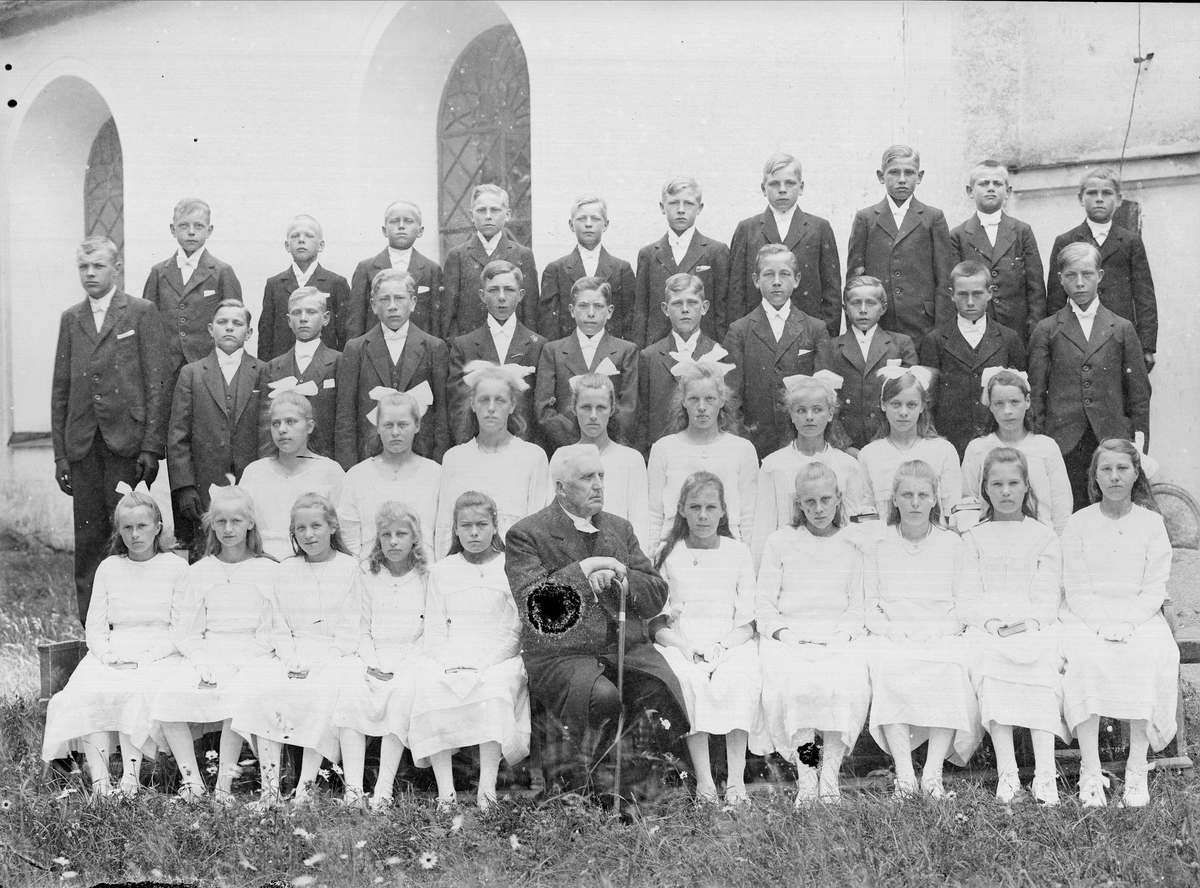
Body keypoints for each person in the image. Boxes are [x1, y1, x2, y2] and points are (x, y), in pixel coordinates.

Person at [504, 444, 687, 798]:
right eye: (587, 477)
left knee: (659, 689)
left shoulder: (619, 528)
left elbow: (655, 592)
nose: (598, 485)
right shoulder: (527, 534)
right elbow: (534, 606)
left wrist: (625, 581)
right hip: (561, 655)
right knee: (602, 697)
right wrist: (585, 572)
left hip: (624, 648)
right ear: (560, 488)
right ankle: (588, 791)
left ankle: (643, 788)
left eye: (601, 476)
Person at [42, 487, 188, 798]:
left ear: (158, 527)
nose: (135, 535)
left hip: (161, 651)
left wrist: (146, 659)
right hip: (115, 648)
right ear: (119, 531)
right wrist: (107, 657)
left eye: (142, 526)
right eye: (127, 528)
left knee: (135, 691)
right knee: (89, 690)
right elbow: (94, 627)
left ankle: (131, 780)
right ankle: (101, 783)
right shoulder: (110, 568)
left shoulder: (176, 567)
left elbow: (180, 629)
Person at [52, 236, 169, 623]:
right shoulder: (72, 319)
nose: (90, 274)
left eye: (98, 266)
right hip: (84, 448)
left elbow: (156, 383)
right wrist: (61, 455)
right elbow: (61, 390)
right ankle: (93, 632)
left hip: (127, 448)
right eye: (83, 267)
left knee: (130, 537)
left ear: (115, 269)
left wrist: (150, 448)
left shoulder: (140, 312)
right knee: (88, 544)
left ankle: (132, 623)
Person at [1059, 439, 1178, 808]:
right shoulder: (1078, 523)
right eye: (1105, 469)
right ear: (1095, 476)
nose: (1114, 477)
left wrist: (1128, 623)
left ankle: (1136, 768)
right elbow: (1075, 588)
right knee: (1085, 659)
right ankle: (1091, 770)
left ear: (1136, 472)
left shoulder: (1152, 523)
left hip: (1139, 615)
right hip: (1087, 614)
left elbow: (1154, 586)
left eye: (1122, 469)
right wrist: (1100, 625)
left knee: (1148, 655)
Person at [227, 494, 361, 806]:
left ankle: (306, 786)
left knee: (322, 690)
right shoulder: (286, 570)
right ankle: (270, 789)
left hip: (335, 653)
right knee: (262, 686)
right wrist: (290, 658)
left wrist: (323, 661)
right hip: (292, 651)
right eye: (300, 528)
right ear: (293, 533)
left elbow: (351, 625)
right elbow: (278, 624)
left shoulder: (350, 568)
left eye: (316, 526)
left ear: (332, 527)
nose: (309, 534)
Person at [753, 463, 870, 805]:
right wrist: (790, 639)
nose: (819, 509)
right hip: (790, 638)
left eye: (825, 500)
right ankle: (808, 777)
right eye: (810, 502)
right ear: (798, 504)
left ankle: (830, 776)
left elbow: (857, 605)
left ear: (838, 499)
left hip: (838, 636)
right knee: (797, 682)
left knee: (843, 678)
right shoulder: (781, 542)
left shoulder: (853, 544)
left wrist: (838, 640)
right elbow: (765, 606)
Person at [152, 485, 277, 803]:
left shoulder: (269, 571)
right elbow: (187, 631)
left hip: (254, 654)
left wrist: (237, 665)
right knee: (168, 699)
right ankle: (193, 783)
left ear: (250, 523)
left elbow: (269, 632)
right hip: (208, 651)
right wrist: (202, 662)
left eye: (236, 521)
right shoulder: (200, 571)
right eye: (220, 521)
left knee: (239, 695)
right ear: (211, 524)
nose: (228, 529)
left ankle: (224, 785)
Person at [865, 460, 981, 799]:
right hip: (892, 632)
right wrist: (895, 631)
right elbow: (869, 605)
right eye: (907, 495)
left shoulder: (952, 545)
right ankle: (904, 774)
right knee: (888, 668)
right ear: (895, 500)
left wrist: (939, 632)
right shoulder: (879, 543)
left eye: (922, 495)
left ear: (934, 500)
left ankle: (932, 774)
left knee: (949, 668)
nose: (915, 502)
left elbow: (964, 603)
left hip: (940, 632)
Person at [958, 447, 1066, 805]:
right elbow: (968, 597)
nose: (1005, 491)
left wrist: (1030, 623)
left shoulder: (1043, 536)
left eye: (1013, 483)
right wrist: (991, 623)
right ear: (985, 489)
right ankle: (1008, 772)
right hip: (987, 627)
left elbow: (1048, 596)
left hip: (1035, 624)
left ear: (1026, 487)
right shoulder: (973, 538)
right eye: (997, 484)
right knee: (992, 662)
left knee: (1040, 662)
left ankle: (1045, 773)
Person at [410, 492, 529, 812]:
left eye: (481, 525)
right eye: (466, 526)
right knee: (431, 687)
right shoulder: (442, 570)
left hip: (497, 656)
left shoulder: (510, 567)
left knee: (492, 687)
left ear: (494, 527)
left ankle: (486, 787)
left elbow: (513, 631)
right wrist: (449, 662)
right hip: (449, 655)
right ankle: (445, 792)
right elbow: (434, 629)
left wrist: (483, 663)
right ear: (456, 530)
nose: (474, 533)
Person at [650, 473, 759, 807]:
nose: (702, 516)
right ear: (682, 509)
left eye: (711, 507)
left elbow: (748, 622)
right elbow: (657, 623)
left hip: (730, 641)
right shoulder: (669, 554)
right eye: (694, 507)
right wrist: (685, 648)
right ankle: (706, 783)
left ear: (723, 511)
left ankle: (737, 783)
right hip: (683, 644)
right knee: (687, 679)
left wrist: (722, 647)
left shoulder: (738, 553)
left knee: (740, 676)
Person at [1028, 243, 1151, 511]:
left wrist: (1139, 446)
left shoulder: (1121, 327)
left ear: (1100, 275)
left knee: (1112, 511)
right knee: (1068, 510)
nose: (1080, 283)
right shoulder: (1047, 330)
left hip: (1111, 441)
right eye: (1071, 276)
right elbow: (1036, 394)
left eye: (1087, 274)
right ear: (1060, 279)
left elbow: (1139, 394)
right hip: (1064, 443)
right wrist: (1038, 443)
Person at [333, 502, 429, 811]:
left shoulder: (427, 575)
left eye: (401, 534)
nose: (393, 542)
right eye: (386, 534)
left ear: (414, 537)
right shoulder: (367, 574)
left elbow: (430, 630)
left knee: (403, 693)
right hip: (371, 655)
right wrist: (373, 662)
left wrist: (399, 666)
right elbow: (359, 627)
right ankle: (353, 789)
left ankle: (383, 788)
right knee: (350, 688)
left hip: (411, 658)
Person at [168, 299, 263, 558]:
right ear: (211, 329)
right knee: (207, 552)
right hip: (204, 484)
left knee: (250, 550)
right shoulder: (192, 373)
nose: (229, 328)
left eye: (237, 323)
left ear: (249, 332)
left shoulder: (263, 371)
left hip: (250, 482)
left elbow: (267, 432)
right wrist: (184, 487)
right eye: (222, 322)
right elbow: (178, 436)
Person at [724, 244, 831, 460]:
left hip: (803, 443)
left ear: (797, 279)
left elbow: (826, 394)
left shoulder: (815, 328)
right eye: (768, 275)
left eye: (784, 274)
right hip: (754, 443)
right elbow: (731, 397)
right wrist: (743, 442)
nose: (776, 282)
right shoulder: (739, 331)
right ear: (756, 280)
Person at [335, 268, 450, 467]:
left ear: (413, 303)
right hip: (369, 457)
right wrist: (349, 467)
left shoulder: (434, 347)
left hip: (422, 457)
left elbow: (441, 416)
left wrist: (438, 462)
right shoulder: (356, 349)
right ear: (373, 305)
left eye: (399, 298)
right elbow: (346, 416)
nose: (392, 306)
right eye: (384, 300)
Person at [435, 361, 550, 557]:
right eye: (483, 400)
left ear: (512, 405)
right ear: (472, 404)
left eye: (500, 400)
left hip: (515, 565)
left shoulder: (532, 456)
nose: (491, 408)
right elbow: (446, 528)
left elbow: (538, 527)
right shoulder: (455, 458)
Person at [1045, 167, 1157, 369]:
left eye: (1106, 193)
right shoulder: (1066, 240)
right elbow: (1055, 296)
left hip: (1119, 336)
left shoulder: (1131, 242)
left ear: (1119, 199)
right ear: (1080, 198)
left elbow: (1144, 297)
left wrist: (1147, 346)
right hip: (1077, 335)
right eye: (1091, 193)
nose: (1099, 199)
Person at [846, 145, 954, 349]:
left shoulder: (933, 218)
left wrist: (942, 330)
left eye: (909, 173)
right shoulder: (866, 219)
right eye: (894, 172)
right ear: (881, 176)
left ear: (919, 176)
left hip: (923, 324)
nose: (902, 179)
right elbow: (854, 281)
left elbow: (944, 279)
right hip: (879, 322)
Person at [752, 372, 864, 567]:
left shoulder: (848, 466)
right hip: (789, 566)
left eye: (818, 409)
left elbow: (856, 527)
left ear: (830, 414)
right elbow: (764, 529)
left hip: (837, 565)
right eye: (801, 410)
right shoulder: (773, 466)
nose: (809, 417)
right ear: (791, 415)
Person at [919, 260, 1026, 458]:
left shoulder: (1009, 338)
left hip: (998, 442)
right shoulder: (935, 340)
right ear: (951, 294)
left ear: (990, 293)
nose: (970, 302)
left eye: (977, 294)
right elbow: (928, 401)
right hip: (951, 442)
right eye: (962, 294)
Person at [728, 153, 842, 337]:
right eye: (774, 184)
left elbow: (832, 291)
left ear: (801, 187)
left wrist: (826, 335)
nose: (782, 190)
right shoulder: (747, 228)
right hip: (758, 333)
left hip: (806, 331)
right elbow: (736, 290)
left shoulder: (819, 228)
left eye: (790, 183)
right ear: (763, 188)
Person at [647, 362, 759, 548]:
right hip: (675, 552)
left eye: (709, 399)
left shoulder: (742, 449)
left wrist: (745, 562)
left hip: (727, 551)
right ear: (683, 401)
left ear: (722, 401)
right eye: (693, 399)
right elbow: (654, 515)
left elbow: (748, 518)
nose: (701, 407)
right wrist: (653, 561)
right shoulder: (663, 448)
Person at [447, 259, 546, 447]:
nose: (501, 297)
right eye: (493, 290)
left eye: (509, 290)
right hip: (478, 446)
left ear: (521, 295)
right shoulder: (464, 346)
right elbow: (459, 407)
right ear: (482, 296)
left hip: (524, 447)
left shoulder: (538, 345)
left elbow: (540, 409)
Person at [961, 368, 1072, 536]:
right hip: (991, 540)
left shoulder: (1047, 447)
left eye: (1014, 402)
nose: (1007, 411)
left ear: (1027, 401)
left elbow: (1061, 504)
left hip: (1039, 540)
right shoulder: (977, 448)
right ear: (990, 405)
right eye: (999, 403)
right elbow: (968, 502)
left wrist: (1056, 544)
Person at [141, 198, 243, 380]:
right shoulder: (158, 273)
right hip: (167, 367)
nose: (191, 232)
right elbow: (148, 324)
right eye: (183, 226)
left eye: (198, 226)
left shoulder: (222, 272)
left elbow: (234, 322)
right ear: (173, 229)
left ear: (209, 230)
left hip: (208, 366)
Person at [238, 391, 345, 560]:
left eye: (290, 422)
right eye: (276, 423)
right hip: (262, 565)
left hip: (312, 565)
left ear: (309, 426)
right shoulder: (254, 472)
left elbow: (343, 531)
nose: (282, 429)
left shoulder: (330, 471)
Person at [814, 276, 918, 450]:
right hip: (847, 447)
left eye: (870, 303)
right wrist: (845, 446)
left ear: (883, 308)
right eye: (855, 303)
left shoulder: (901, 344)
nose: (863, 310)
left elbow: (911, 397)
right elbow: (824, 402)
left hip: (892, 443)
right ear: (845, 308)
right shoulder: (831, 347)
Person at [535, 277, 639, 449]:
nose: (591, 313)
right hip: (567, 446)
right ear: (572, 310)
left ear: (610, 311)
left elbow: (628, 408)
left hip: (610, 445)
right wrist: (580, 441)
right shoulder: (552, 351)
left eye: (598, 306)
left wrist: (602, 440)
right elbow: (544, 410)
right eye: (583, 306)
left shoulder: (626, 351)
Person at [949, 160, 1046, 342]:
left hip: (1017, 331)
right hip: (976, 331)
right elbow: (954, 289)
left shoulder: (1022, 232)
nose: (991, 188)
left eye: (997, 184)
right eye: (984, 183)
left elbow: (1036, 289)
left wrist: (1035, 331)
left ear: (1008, 192)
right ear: (970, 191)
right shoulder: (958, 236)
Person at [339, 391, 441, 558]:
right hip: (370, 572)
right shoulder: (357, 475)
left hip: (424, 571)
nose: (395, 432)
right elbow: (348, 535)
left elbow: (442, 533)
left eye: (402, 425)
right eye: (388, 425)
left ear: (417, 426)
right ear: (378, 427)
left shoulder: (435, 474)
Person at [632, 175, 730, 347]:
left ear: (699, 208)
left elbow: (722, 310)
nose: (681, 210)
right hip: (658, 348)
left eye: (689, 203)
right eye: (674, 203)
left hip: (704, 347)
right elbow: (641, 312)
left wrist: (722, 351)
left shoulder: (716, 251)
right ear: (662, 207)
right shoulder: (648, 255)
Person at [857, 368, 962, 522]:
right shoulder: (869, 454)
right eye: (896, 404)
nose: (903, 412)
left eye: (911, 405)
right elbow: (866, 511)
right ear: (883, 404)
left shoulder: (943, 450)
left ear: (922, 407)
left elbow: (952, 511)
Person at [637, 273, 721, 455]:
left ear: (704, 307)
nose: (685, 309)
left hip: (707, 452)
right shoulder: (649, 356)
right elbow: (642, 419)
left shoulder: (718, 354)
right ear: (666, 309)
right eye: (677, 303)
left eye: (692, 302)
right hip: (664, 453)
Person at [441, 184, 539, 339]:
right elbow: (448, 314)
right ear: (472, 215)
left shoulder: (523, 255)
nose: (488, 216)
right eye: (481, 210)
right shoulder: (457, 255)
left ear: (507, 215)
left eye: (495, 210)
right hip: (469, 349)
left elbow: (530, 312)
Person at [255, 286, 341, 460]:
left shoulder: (339, 362)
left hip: (326, 458)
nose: (303, 318)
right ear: (288, 320)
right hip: (283, 461)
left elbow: (344, 421)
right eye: (296, 313)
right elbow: (265, 426)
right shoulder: (272, 368)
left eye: (311, 312)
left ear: (325, 318)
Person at [539, 196, 637, 340]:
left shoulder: (622, 269)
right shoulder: (555, 269)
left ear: (606, 224)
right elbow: (548, 325)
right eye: (581, 219)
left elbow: (630, 321)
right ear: (571, 225)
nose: (589, 224)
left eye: (595, 219)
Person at [572, 372, 650, 550]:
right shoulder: (564, 458)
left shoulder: (631, 460)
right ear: (574, 409)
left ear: (612, 409)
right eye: (585, 407)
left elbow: (640, 521)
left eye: (601, 408)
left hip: (620, 559)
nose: (593, 415)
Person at [258, 214, 350, 360]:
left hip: (325, 368)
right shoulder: (274, 284)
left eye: (309, 235)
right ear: (287, 246)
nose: (301, 240)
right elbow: (265, 336)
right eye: (295, 236)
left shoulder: (336, 283)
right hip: (283, 368)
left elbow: (345, 334)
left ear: (321, 245)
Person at [347, 200, 442, 340]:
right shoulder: (366, 268)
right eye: (394, 221)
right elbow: (355, 320)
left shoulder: (432, 269)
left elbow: (436, 321)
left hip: (419, 349)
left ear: (420, 231)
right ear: (384, 230)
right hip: (376, 348)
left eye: (408, 221)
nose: (401, 226)